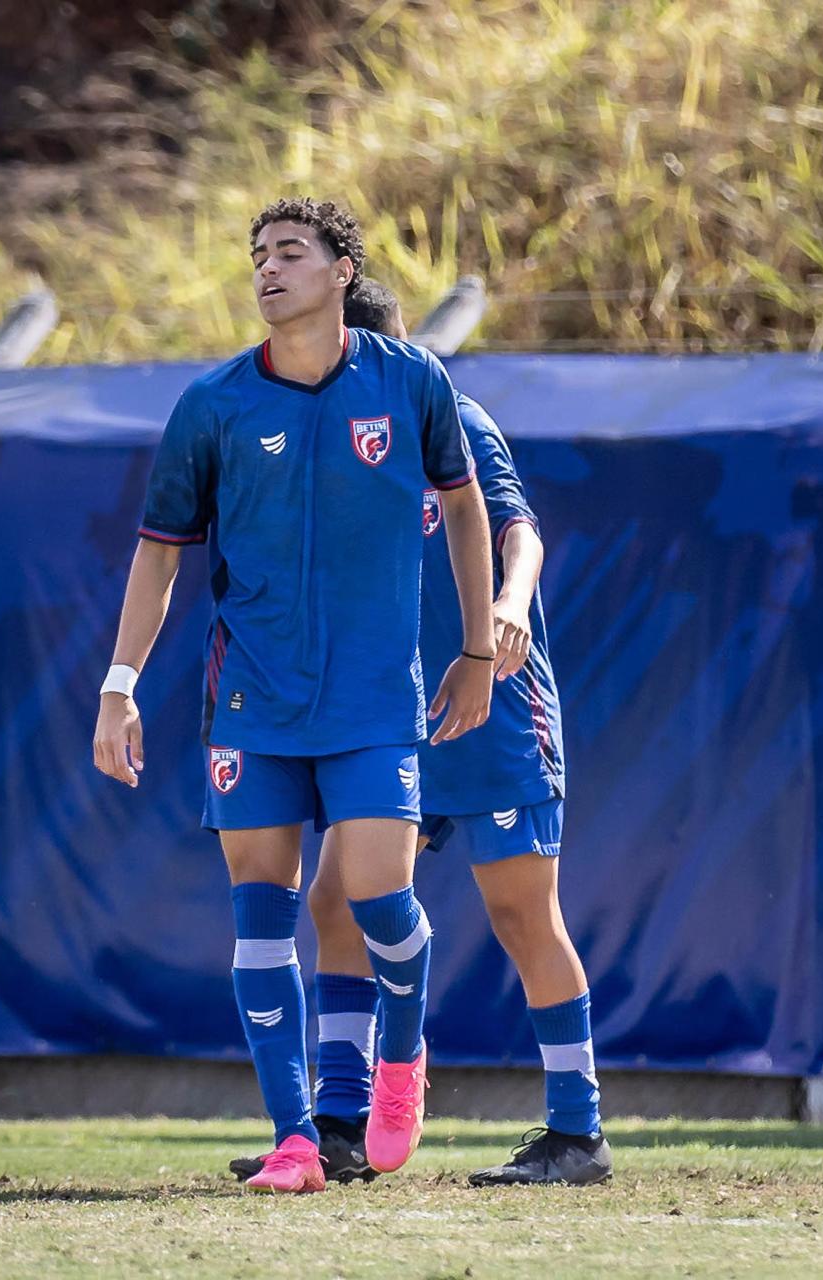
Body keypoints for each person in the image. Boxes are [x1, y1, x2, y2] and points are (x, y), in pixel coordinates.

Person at [93, 202, 497, 1194]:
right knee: (260, 912)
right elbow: (157, 556)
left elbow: (466, 507)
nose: (267, 271)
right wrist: (119, 684)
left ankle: (400, 1059)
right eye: (257, 257)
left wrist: (478, 649)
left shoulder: (410, 381)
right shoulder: (215, 402)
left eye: (288, 254)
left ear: (340, 269)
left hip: (371, 700)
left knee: (380, 898)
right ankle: (296, 1137)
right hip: (253, 704)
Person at [231, 278, 612, 1188]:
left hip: (494, 713)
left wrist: (509, 609)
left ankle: (577, 1132)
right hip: (394, 720)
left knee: (523, 914)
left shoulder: (453, 420)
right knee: (334, 904)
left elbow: (519, 531)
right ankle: (342, 1123)